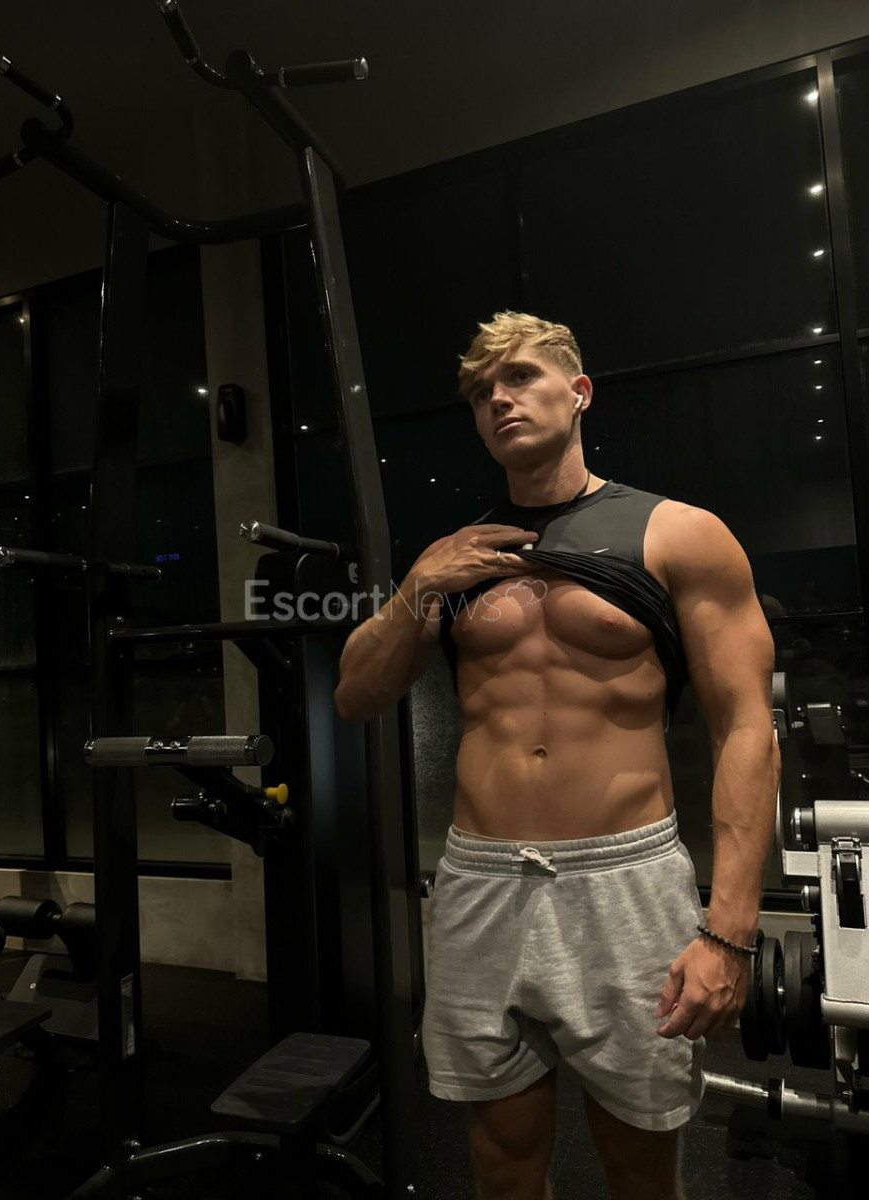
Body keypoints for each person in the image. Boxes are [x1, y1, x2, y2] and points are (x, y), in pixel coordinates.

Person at [334, 312, 780, 1200]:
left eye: (520, 377)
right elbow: (357, 694)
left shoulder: (677, 534)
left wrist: (727, 931)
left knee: (639, 1169)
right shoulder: (456, 558)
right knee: (500, 1168)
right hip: (481, 882)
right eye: (480, 393)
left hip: (622, 879)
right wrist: (418, 587)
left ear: (577, 393)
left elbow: (744, 728)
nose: (498, 400)